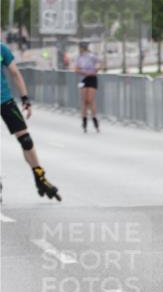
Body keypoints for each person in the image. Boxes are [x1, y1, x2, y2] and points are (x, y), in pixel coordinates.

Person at [1, 41, 61, 201]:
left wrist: (25, 98)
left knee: (26, 140)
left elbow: (15, 73)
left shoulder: (2, 49)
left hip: (4, 100)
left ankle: (40, 178)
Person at [75, 41, 100, 132]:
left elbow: (98, 64)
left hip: (92, 78)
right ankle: (84, 120)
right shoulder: (79, 57)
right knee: (84, 101)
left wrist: (95, 69)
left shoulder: (92, 56)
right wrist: (84, 72)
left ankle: (94, 119)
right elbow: (77, 68)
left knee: (90, 100)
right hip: (83, 78)